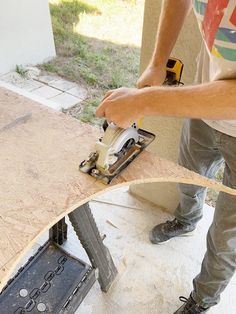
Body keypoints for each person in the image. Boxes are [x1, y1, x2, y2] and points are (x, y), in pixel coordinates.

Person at [96, 0, 236, 313]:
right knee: (188, 176)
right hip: (205, 104)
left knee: (227, 234)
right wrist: (158, 61)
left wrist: (146, 101)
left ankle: (203, 299)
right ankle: (187, 221)